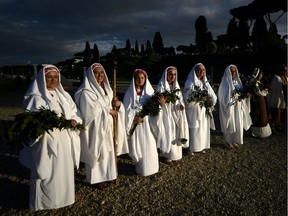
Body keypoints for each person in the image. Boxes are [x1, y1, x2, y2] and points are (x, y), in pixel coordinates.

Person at [19, 65, 82, 211]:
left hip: (65, 138)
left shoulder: (64, 95)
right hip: (48, 141)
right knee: (48, 171)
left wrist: (74, 121)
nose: (53, 80)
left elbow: (74, 112)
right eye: (49, 77)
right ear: (42, 78)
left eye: (55, 77)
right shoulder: (36, 97)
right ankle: (44, 202)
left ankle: (64, 198)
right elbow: (35, 120)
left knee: (64, 169)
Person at [74, 63, 128, 189]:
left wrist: (118, 105)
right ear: (91, 75)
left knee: (109, 151)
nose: (99, 75)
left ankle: (109, 175)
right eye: (96, 73)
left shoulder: (107, 89)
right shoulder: (85, 91)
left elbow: (113, 104)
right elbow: (89, 111)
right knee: (97, 151)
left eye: (102, 72)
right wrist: (108, 111)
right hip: (95, 128)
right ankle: (97, 179)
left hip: (108, 126)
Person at [123, 69, 159, 176]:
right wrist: (134, 117)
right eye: (138, 78)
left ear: (145, 79)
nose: (140, 80)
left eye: (142, 78)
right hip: (136, 125)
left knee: (150, 145)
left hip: (148, 125)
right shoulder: (129, 93)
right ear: (134, 79)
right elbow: (126, 110)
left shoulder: (150, 92)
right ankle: (141, 169)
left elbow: (155, 109)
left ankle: (152, 168)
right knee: (139, 147)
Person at [155, 66, 189, 163]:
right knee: (167, 132)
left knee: (176, 132)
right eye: (170, 74)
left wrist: (181, 106)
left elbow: (180, 100)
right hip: (166, 114)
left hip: (176, 114)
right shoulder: (161, 86)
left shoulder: (176, 87)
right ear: (166, 75)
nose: (172, 76)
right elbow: (157, 100)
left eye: (174, 74)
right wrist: (163, 103)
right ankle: (167, 154)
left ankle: (177, 154)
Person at [183, 63, 217, 154]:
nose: (201, 72)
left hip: (203, 109)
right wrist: (199, 98)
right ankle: (191, 148)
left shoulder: (204, 82)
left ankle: (201, 146)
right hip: (193, 110)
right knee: (194, 128)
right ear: (195, 71)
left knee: (202, 128)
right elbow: (187, 97)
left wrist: (210, 101)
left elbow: (212, 94)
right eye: (199, 70)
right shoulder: (189, 82)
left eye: (203, 70)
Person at [218, 64, 252, 149]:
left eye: (234, 71)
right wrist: (232, 100)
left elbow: (242, 93)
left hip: (238, 107)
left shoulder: (238, 82)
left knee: (238, 124)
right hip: (230, 108)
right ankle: (228, 141)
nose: (233, 73)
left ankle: (235, 140)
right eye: (231, 71)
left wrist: (245, 96)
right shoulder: (224, 83)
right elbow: (222, 98)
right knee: (230, 124)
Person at [249, 68, 272, 138]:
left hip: (261, 100)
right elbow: (258, 93)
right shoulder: (254, 82)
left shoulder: (258, 82)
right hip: (256, 101)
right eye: (259, 74)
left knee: (263, 115)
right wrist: (267, 91)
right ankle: (257, 133)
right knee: (259, 115)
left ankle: (263, 133)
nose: (260, 76)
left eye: (261, 74)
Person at [268, 64, 287, 132]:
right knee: (276, 112)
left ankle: (279, 126)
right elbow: (274, 90)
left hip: (283, 98)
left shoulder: (285, 77)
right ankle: (274, 127)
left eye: (286, 71)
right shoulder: (276, 78)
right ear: (280, 70)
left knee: (282, 113)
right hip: (276, 98)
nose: (285, 72)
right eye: (284, 70)